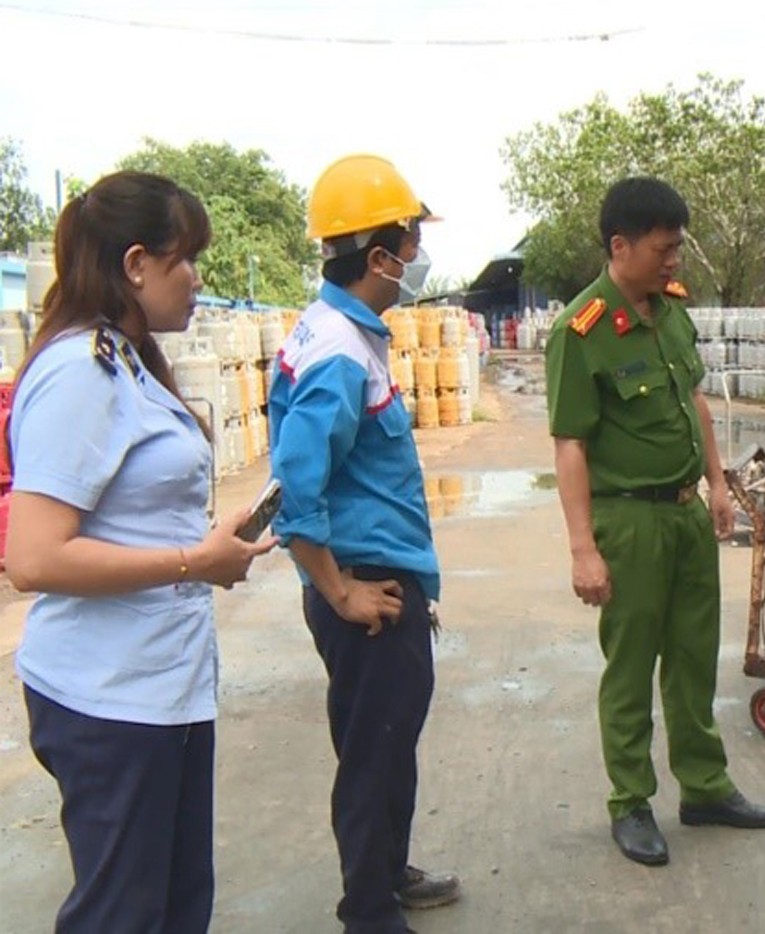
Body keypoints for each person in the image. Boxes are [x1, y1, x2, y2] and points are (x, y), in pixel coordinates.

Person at [3, 171, 277, 933]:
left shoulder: (128, 360)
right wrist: (194, 563)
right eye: (186, 259)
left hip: (161, 687)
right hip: (107, 699)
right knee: (123, 915)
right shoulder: (81, 372)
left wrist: (205, 545)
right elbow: (33, 558)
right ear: (135, 265)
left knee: (176, 906)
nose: (198, 279)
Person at [545, 176, 765, 868]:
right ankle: (630, 801)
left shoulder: (671, 310)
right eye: (663, 249)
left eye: (677, 247)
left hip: (685, 516)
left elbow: (695, 401)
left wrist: (717, 483)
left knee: (692, 658)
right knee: (631, 668)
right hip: (629, 522)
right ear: (620, 247)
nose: (674, 259)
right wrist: (583, 549)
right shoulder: (581, 331)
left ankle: (704, 787)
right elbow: (570, 445)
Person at [268, 154, 459, 932]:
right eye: (412, 242)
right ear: (380, 257)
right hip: (363, 583)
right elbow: (296, 483)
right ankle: (368, 910)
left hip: (381, 575)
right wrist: (339, 589)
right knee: (373, 753)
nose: (419, 255)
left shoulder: (346, 333)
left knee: (389, 740)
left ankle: (387, 870)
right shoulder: (339, 352)